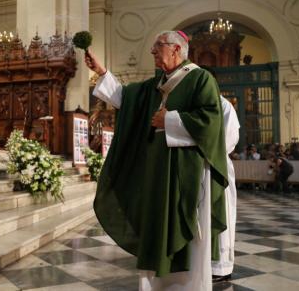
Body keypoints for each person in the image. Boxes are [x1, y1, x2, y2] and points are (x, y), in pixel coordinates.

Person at [85, 30, 228, 290]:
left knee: (184, 225)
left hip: (187, 170)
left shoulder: (200, 79)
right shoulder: (155, 84)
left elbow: (211, 121)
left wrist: (169, 120)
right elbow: (125, 99)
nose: (152, 51)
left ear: (176, 49)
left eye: (157, 46)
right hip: (155, 171)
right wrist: (102, 71)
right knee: (156, 224)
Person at [201, 67, 241, 282]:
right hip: (195, 170)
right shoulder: (196, 106)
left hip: (216, 167)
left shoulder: (223, 106)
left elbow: (229, 138)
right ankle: (200, 262)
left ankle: (220, 267)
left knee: (220, 215)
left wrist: (202, 152)